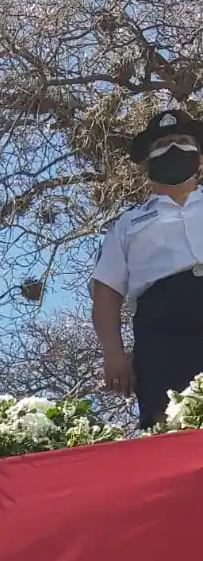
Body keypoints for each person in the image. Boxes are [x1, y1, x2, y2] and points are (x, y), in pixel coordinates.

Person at [92, 108, 203, 427]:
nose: (173, 148)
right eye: (164, 143)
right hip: (163, 329)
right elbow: (107, 291)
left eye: (183, 141)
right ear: (146, 165)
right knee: (168, 417)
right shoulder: (127, 224)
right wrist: (113, 352)